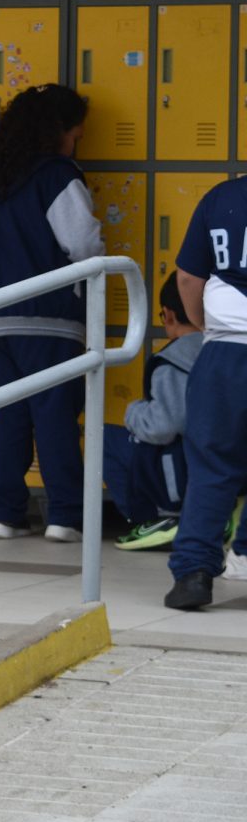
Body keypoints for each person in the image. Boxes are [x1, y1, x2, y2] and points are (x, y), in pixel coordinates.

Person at [0, 82, 104, 542]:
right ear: (59, 130)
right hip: (45, 314)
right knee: (55, 413)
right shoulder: (56, 173)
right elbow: (82, 244)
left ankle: (5, 515)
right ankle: (65, 516)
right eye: (76, 134)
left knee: (11, 412)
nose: (76, 143)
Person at [164, 176, 247, 609]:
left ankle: (193, 576)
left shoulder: (223, 198)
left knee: (213, 468)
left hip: (226, 352)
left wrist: (203, 327)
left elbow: (188, 278)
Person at [105, 272, 200, 551]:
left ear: (169, 315)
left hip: (184, 475)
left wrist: (134, 410)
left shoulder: (172, 361)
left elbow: (163, 426)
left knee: (106, 437)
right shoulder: (225, 349)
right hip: (225, 468)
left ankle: (155, 517)